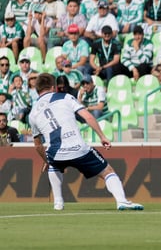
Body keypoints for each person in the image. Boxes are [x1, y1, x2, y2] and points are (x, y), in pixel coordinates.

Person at [29, 73, 143, 211]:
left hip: (56, 152)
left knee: (54, 165)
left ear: (37, 90)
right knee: (107, 171)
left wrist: (47, 161)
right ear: (53, 87)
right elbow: (88, 117)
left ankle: (58, 203)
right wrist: (102, 136)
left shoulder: (33, 113)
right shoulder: (66, 97)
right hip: (78, 148)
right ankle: (122, 201)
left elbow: (38, 145)